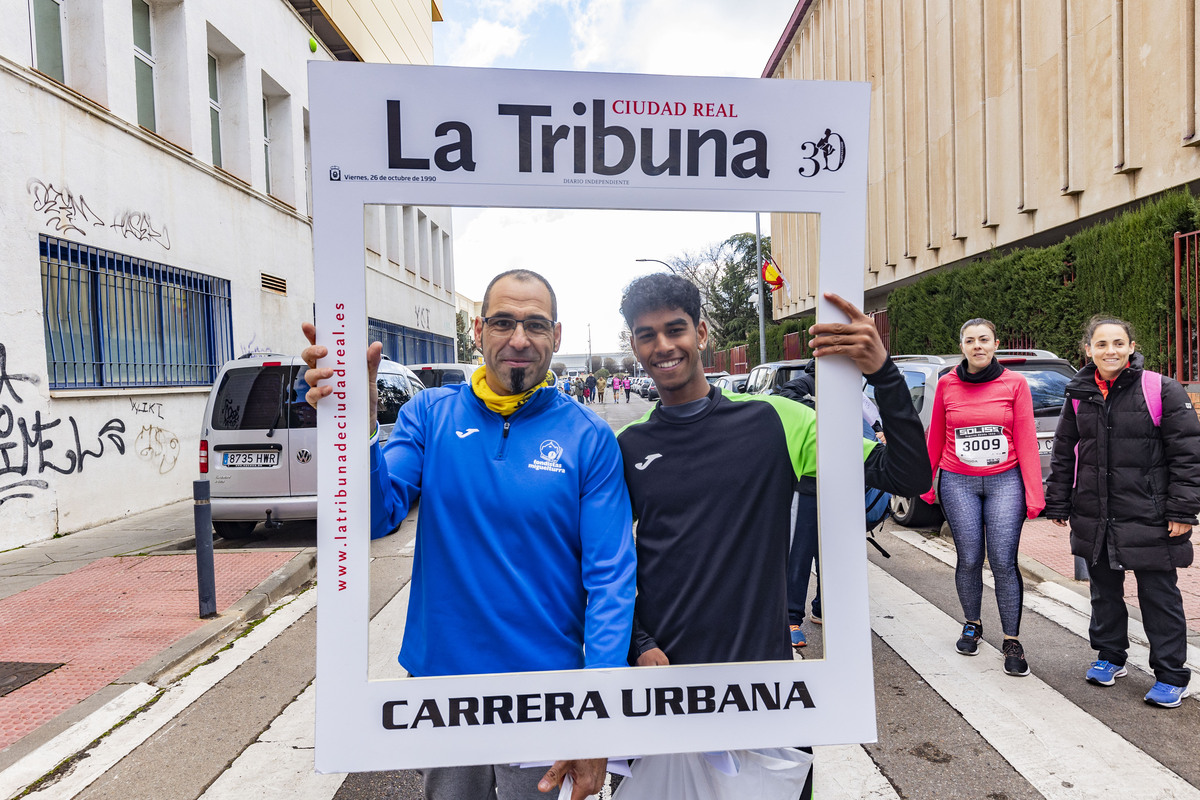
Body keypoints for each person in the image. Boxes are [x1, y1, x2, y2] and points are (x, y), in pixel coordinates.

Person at [302, 269, 636, 799]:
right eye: (503, 322)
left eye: (535, 325)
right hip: (444, 687)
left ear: (557, 336)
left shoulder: (588, 436)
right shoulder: (428, 415)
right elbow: (374, 517)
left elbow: (612, 581)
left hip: (546, 693)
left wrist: (596, 721)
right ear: (478, 331)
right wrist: (355, 426)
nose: (518, 339)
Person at [1045, 315, 1200, 707]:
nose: (1109, 351)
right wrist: (1059, 501)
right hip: (1095, 512)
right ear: (1088, 350)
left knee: (1159, 595)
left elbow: (1188, 456)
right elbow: (1065, 452)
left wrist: (1182, 510)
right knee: (1104, 592)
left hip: (1150, 513)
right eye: (1101, 344)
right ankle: (1110, 657)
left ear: (1131, 347)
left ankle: (1171, 674)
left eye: (1118, 343)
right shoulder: (1078, 393)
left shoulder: (1160, 389)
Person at [919, 318, 1043, 676]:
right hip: (958, 480)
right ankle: (972, 624)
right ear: (962, 347)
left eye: (984, 339)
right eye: (970, 340)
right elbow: (936, 436)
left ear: (995, 344)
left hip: (1006, 480)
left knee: (1004, 561)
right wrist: (927, 482)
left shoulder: (1015, 383)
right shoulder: (946, 385)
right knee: (970, 557)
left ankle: (1012, 640)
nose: (977, 346)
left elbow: (1026, 438)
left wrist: (1034, 493)